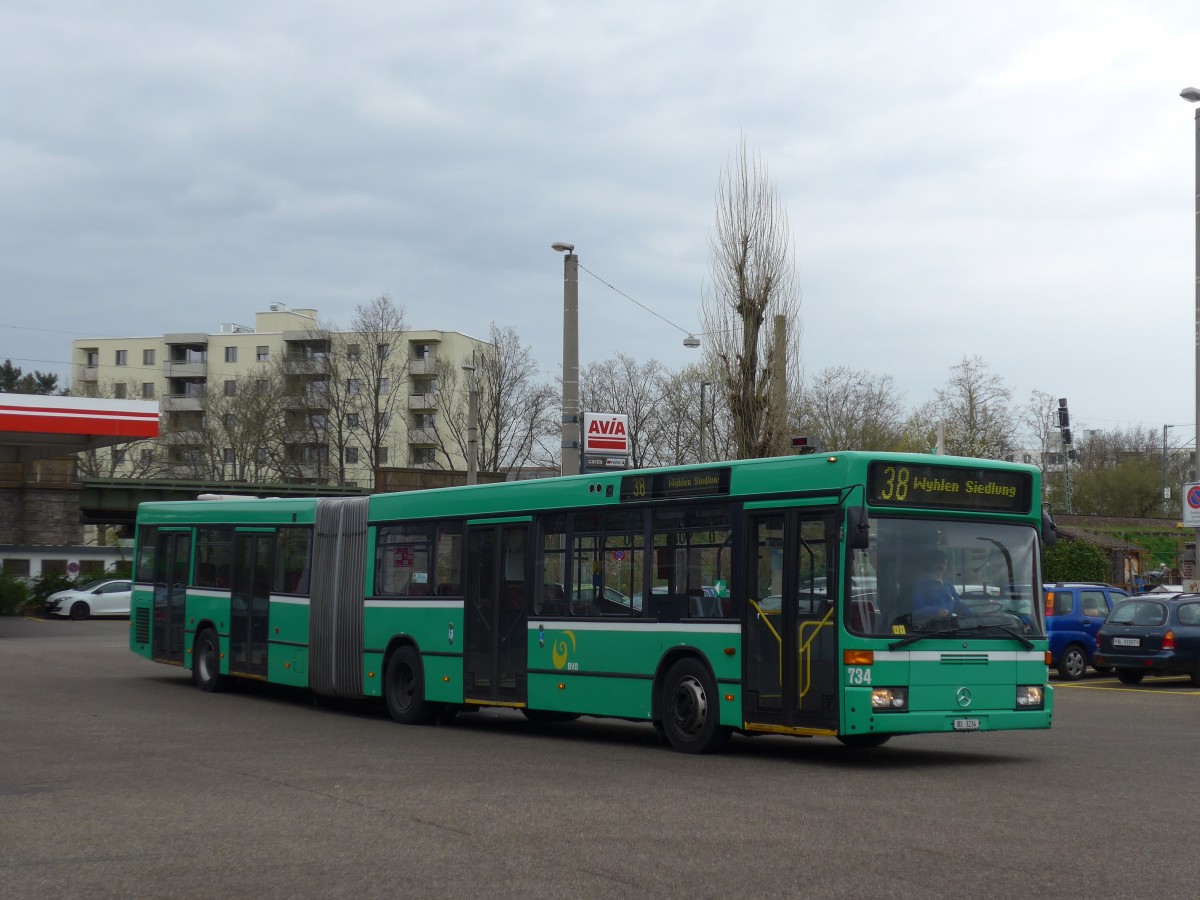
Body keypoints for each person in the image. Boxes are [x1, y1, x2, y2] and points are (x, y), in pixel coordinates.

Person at [910, 549, 968, 622]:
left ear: (946, 566)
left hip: (950, 626)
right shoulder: (921, 585)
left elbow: (958, 604)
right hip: (928, 627)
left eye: (943, 563)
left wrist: (975, 614)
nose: (940, 566)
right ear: (929, 564)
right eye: (936, 563)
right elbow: (918, 608)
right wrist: (937, 612)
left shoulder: (948, 584)